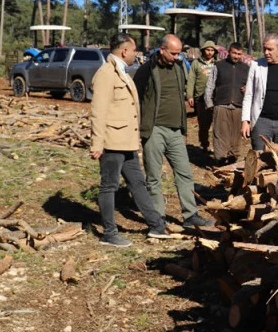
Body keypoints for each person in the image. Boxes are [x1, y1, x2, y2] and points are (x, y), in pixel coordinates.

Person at [89, 33, 167, 244]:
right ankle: (109, 233)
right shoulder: (106, 74)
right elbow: (98, 111)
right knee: (109, 186)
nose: (136, 54)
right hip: (111, 142)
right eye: (134, 50)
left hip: (126, 141)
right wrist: (97, 143)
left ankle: (156, 225)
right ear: (124, 51)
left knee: (138, 184)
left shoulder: (121, 71)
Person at [133, 33, 215, 229]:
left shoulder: (179, 67)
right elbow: (135, 97)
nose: (176, 57)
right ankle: (158, 219)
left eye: (179, 54)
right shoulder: (147, 69)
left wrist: (183, 126)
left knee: (184, 173)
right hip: (154, 130)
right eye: (173, 53)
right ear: (162, 50)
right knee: (154, 176)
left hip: (176, 130)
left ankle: (190, 215)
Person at [204, 41, 251, 162]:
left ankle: (232, 163)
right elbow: (210, 86)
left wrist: (247, 88)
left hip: (239, 107)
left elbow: (252, 87)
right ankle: (220, 161)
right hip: (221, 105)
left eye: (239, 54)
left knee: (236, 138)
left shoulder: (246, 69)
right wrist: (210, 104)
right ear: (229, 52)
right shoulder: (219, 66)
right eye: (234, 53)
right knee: (220, 135)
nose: (236, 56)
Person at [187, 40, 218, 152]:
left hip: (215, 99)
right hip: (200, 98)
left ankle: (218, 147)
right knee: (203, 124)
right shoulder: (196, 63)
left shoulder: (217, 64)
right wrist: (190, 95)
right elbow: (191, 80)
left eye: (212, 50)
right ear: (203, 50)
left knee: (217, 125)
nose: (209, 52)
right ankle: (204, 144)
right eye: (207, 50)